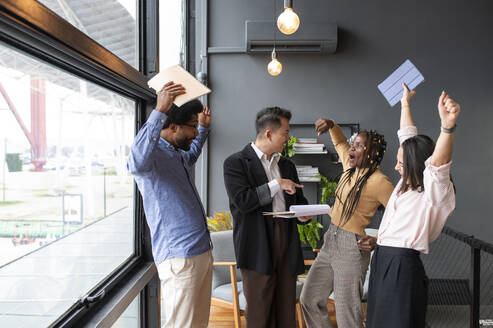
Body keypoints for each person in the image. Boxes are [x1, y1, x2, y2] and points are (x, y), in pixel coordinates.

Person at [366, 84, 459, 328]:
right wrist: (405, 103)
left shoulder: (434, 189)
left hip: (401, 264)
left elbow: (438, 162)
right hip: (383, 259)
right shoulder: (406, 182)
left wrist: (447, 127)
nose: (397, 167)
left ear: (417, 164)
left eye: (401, 163)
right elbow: (407, 136)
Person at [127, 81, 213, 328]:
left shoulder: (177, 153)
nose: (195, 133)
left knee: (197, 324)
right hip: (180, 257)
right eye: (192, 127)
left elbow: (192, 153)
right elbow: (135, 163)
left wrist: (204, 129)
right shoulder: (150, 158)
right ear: (172, 125)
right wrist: (159, 111)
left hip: (200, 251)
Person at [300, 120, 394, 328]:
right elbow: (341, 142)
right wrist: (332, 125)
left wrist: (378, 239)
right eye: (355, 144)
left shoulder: (380, 182)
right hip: (330, 241)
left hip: (352, 247)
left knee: (347, 316)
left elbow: (401, 217)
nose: (352, 148)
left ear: (372, 152)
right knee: (309, 300)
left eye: (359, 146)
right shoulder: (349, 166)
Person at [223, 106, 310, 328]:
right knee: (260, 311)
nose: (288, 138)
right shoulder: (236, 163)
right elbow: (244, 201)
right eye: (285, 133)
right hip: (256, 242)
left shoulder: (287, 165)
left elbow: (298, 201)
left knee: (286, 310)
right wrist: (276, 184)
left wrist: (305, 215)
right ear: (269, 134)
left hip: (286, 239)